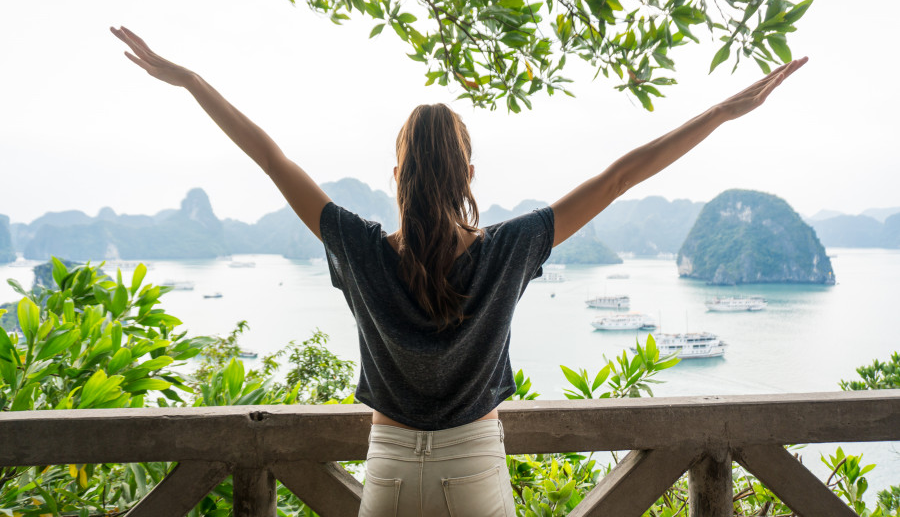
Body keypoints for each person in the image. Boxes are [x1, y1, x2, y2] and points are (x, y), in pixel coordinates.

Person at [111, 26, 806, 516]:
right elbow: (621, 176)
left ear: (396, 177)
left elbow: (270, 158)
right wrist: (723, 110)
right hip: (475, 468)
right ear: (469, 174)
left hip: (385, 472)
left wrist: (190, 81)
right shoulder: (510, 248)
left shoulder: (358, 247)